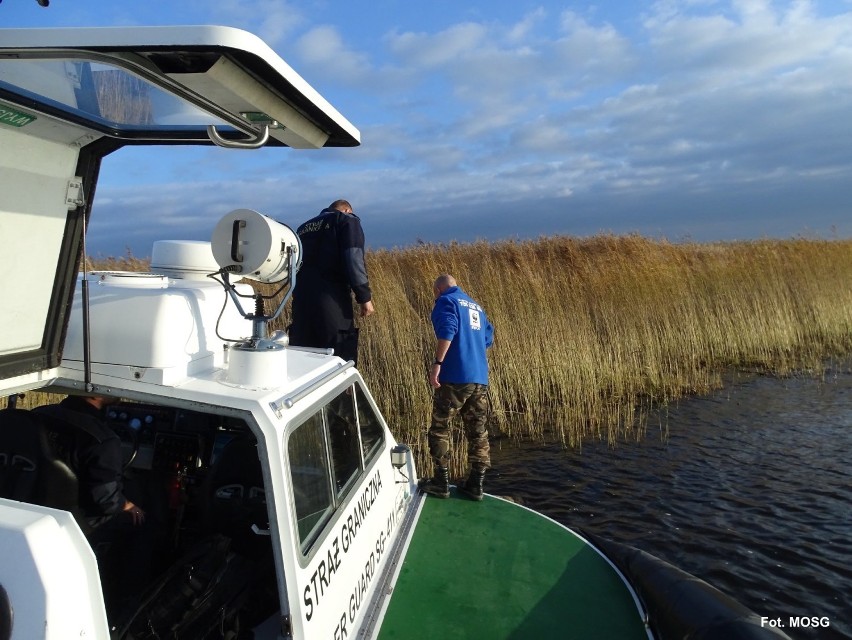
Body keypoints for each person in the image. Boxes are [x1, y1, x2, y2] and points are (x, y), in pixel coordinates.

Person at [34, 394, 154, 611]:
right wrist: (126, 504)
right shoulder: (102, 439)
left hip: (29, 506)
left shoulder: (37, 415)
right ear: (96, 394)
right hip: (76, 524)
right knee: (141, 521)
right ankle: (122, 603)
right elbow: (106, 502)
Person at [421, 274, 494, 501]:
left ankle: (440, 482)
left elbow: (448, 330)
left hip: (454, 376)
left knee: (441, 427)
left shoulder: (447, 301)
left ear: (439, 289)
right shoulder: (476, 306)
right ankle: (475, 484)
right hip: (479, 377)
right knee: (477, 430)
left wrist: (438, 364)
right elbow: (488, 338)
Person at [289, 199, 374, 365]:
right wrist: (364, 297)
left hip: (300, 303)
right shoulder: (346, 220)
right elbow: (353, 257)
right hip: (332, 301)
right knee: (337, 360)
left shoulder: (302, 228)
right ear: (347, 210)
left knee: (303, 359)